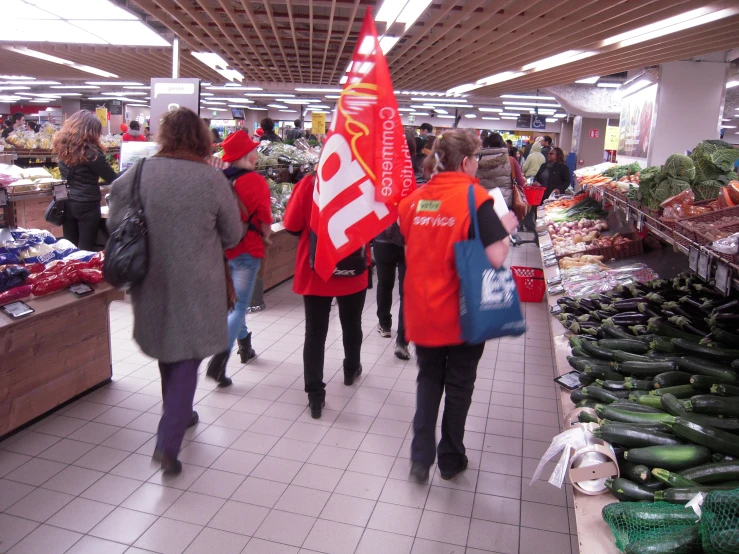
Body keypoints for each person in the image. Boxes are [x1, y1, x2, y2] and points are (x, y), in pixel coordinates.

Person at [107, 108, 243, 474]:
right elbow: (233, 235)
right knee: (186, 355)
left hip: (150, 277)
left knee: (170, 348)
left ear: (164, 136)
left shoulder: (138, 174)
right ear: (201, 139)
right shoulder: (212, 180)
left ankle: (180, 414)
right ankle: (168, 442)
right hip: (197, 282)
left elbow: (115, 220)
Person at [399, 129, 518, 482]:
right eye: (476, 159)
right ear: (466, 162)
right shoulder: (475, 198)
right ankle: (450, 457)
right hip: (464, 310)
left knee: (428, 377)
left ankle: (420, 458)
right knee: (460, 384)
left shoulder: (416, 199)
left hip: (423, 307)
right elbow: (496, 255)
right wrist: (507, 225)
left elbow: (414, 243)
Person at [283, 172, 368, 420]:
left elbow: (291, 225)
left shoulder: (309, 183)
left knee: (315, 332)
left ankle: (315, 394)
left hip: (316, 268)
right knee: (352, 323)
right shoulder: (362, 181)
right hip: (352, 266)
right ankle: (351, 368)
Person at [206, 130, 272, 386]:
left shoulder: (218, 179)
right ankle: (219, 359)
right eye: (253, 150)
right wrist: (266, 235)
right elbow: (265, 219)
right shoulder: (255, 181)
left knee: (234, 303)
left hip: (221, 251)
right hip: (248, 249)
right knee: (241, 304)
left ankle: (245, 346)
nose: (256, 153)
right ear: (247, 155)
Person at [375, 130, 416, 361]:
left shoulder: (383, 173)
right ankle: (403, 340)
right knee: (407, 291)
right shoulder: (419, 175)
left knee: (384, 283)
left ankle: (384, 324)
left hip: (383, 236)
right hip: (411, 239)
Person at [52, 110, 117, 251]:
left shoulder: (62, 148)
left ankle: (67, 272)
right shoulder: (91, 153)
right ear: (91, 131)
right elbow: (112, 178)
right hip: (86, 203)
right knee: (85, 250)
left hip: (66, 202)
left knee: (69, 248)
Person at [476, 132, 525, 207]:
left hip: (483, 201)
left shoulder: (478, 160)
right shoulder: (511, 161)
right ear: (502, 144)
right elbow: (521, 182)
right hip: (505, 203)